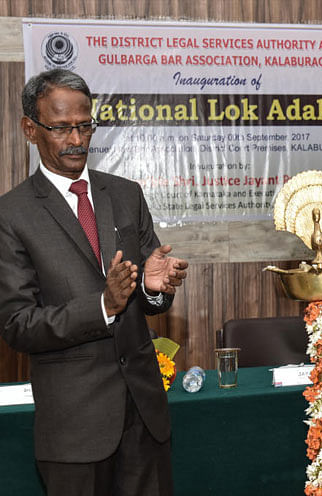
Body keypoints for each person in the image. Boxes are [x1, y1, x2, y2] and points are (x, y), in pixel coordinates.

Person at [0, 69, 188, 496]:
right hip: (74, 430)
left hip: (144, 418)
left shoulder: (125, 194)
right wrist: (103, 305)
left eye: (85, 126)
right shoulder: (11, 216)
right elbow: (17, 325)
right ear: (31, 129)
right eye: (61, 128)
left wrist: (152, 289)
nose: (77, 139)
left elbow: (145, 291)